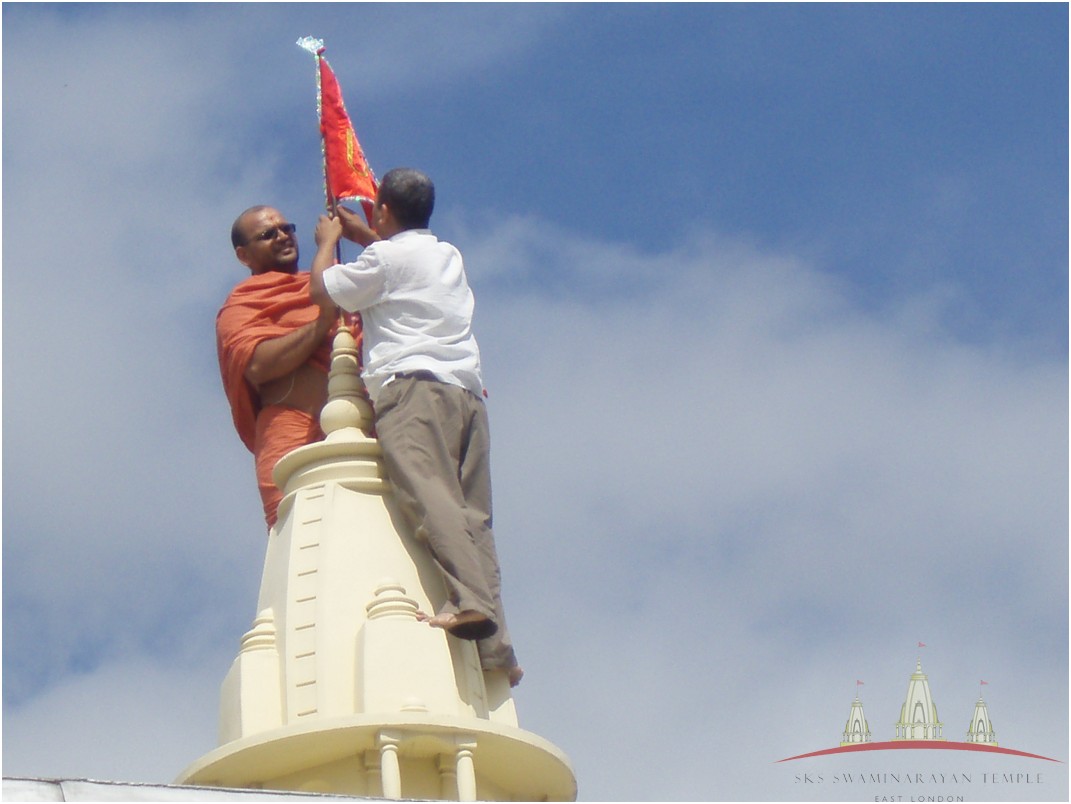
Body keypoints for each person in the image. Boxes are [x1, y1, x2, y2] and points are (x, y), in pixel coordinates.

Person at [309, 168, 522, 686]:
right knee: (473, 516)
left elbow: (324, 292)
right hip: (464, 393)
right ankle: (497, 650)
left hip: (413, 392)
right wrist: (367, 236)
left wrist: (328, 242)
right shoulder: (446, 255)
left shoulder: (383, 258)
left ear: (382, 211)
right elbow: (396, 264)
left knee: (430, 497)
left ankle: (470, 602)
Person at [217, 205, 358, 529]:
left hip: (357, 428)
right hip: (290, 427)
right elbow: (258, 364)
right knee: (294, 534)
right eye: (268, 234)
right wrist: (323, 321)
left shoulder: (329, 281)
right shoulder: (242, 303)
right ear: (243, 255)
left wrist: (360, 236)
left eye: (287, 228)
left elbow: (397, 280)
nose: (282, 236)